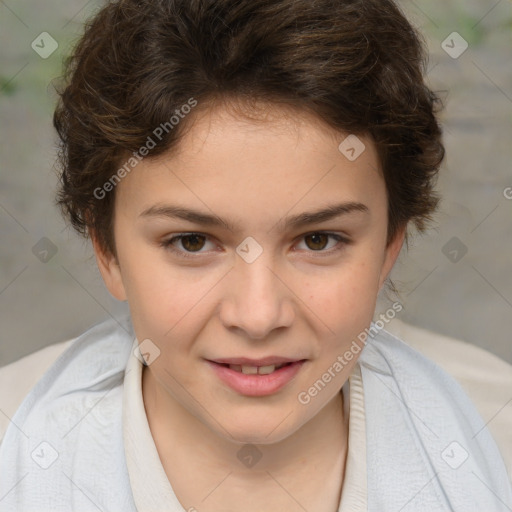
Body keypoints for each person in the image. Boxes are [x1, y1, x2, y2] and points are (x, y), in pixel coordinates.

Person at [0, 0, 511, 510]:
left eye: (318, 240)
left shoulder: (495, 432)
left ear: (388, 246)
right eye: (192, 242)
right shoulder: (14, 444)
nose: (259, 316)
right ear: (106, 251)